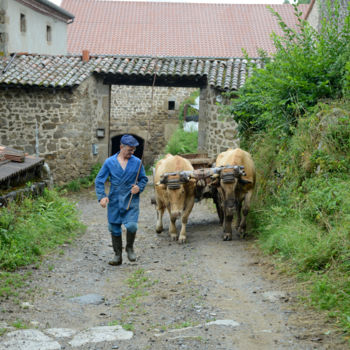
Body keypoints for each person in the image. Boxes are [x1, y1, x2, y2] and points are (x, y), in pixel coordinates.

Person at [95, 134, 148, 266]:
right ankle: (117, 255)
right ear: (121, 147)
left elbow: (144, 179)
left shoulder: (137, 162)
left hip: (131, 199)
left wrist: (139, 187)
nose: (132, 152)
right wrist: (102, 196)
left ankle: (129, 248)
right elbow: (99, 180)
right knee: (114, 228)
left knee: (131, 225)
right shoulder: (109, 162)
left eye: (134, 150)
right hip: (114, 200)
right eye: (129, 150)